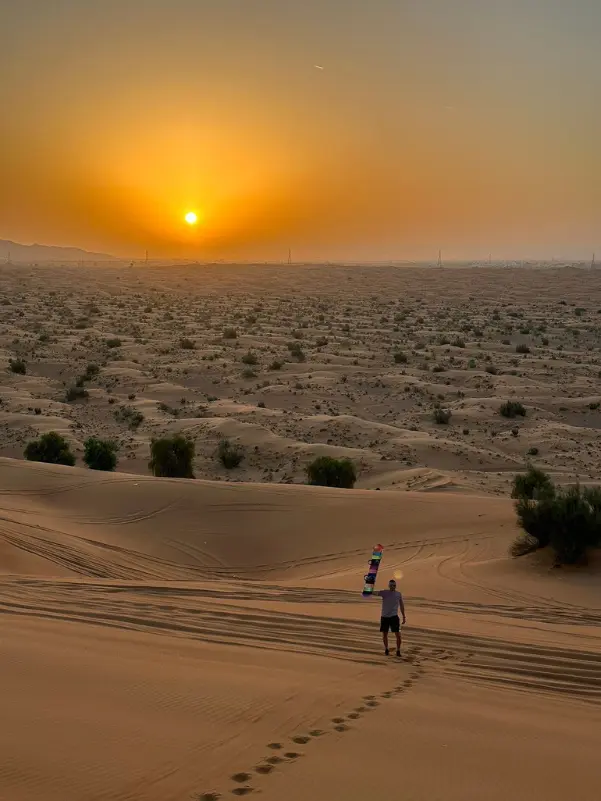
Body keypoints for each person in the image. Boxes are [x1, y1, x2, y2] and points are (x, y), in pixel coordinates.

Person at [372, 579, 405, 657]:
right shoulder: (384, 592)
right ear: (389, 586)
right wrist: (369, 584)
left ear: (395, 586)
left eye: (394, 585)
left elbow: (401, 605)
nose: (392, 587)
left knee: (398, 635)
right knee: (384, 634)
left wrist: (403, 616)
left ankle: (398, 650)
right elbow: (372, 592)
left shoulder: (398, 594)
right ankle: (386, 649)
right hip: (385, 617)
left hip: (394, 617)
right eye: (391, 585)